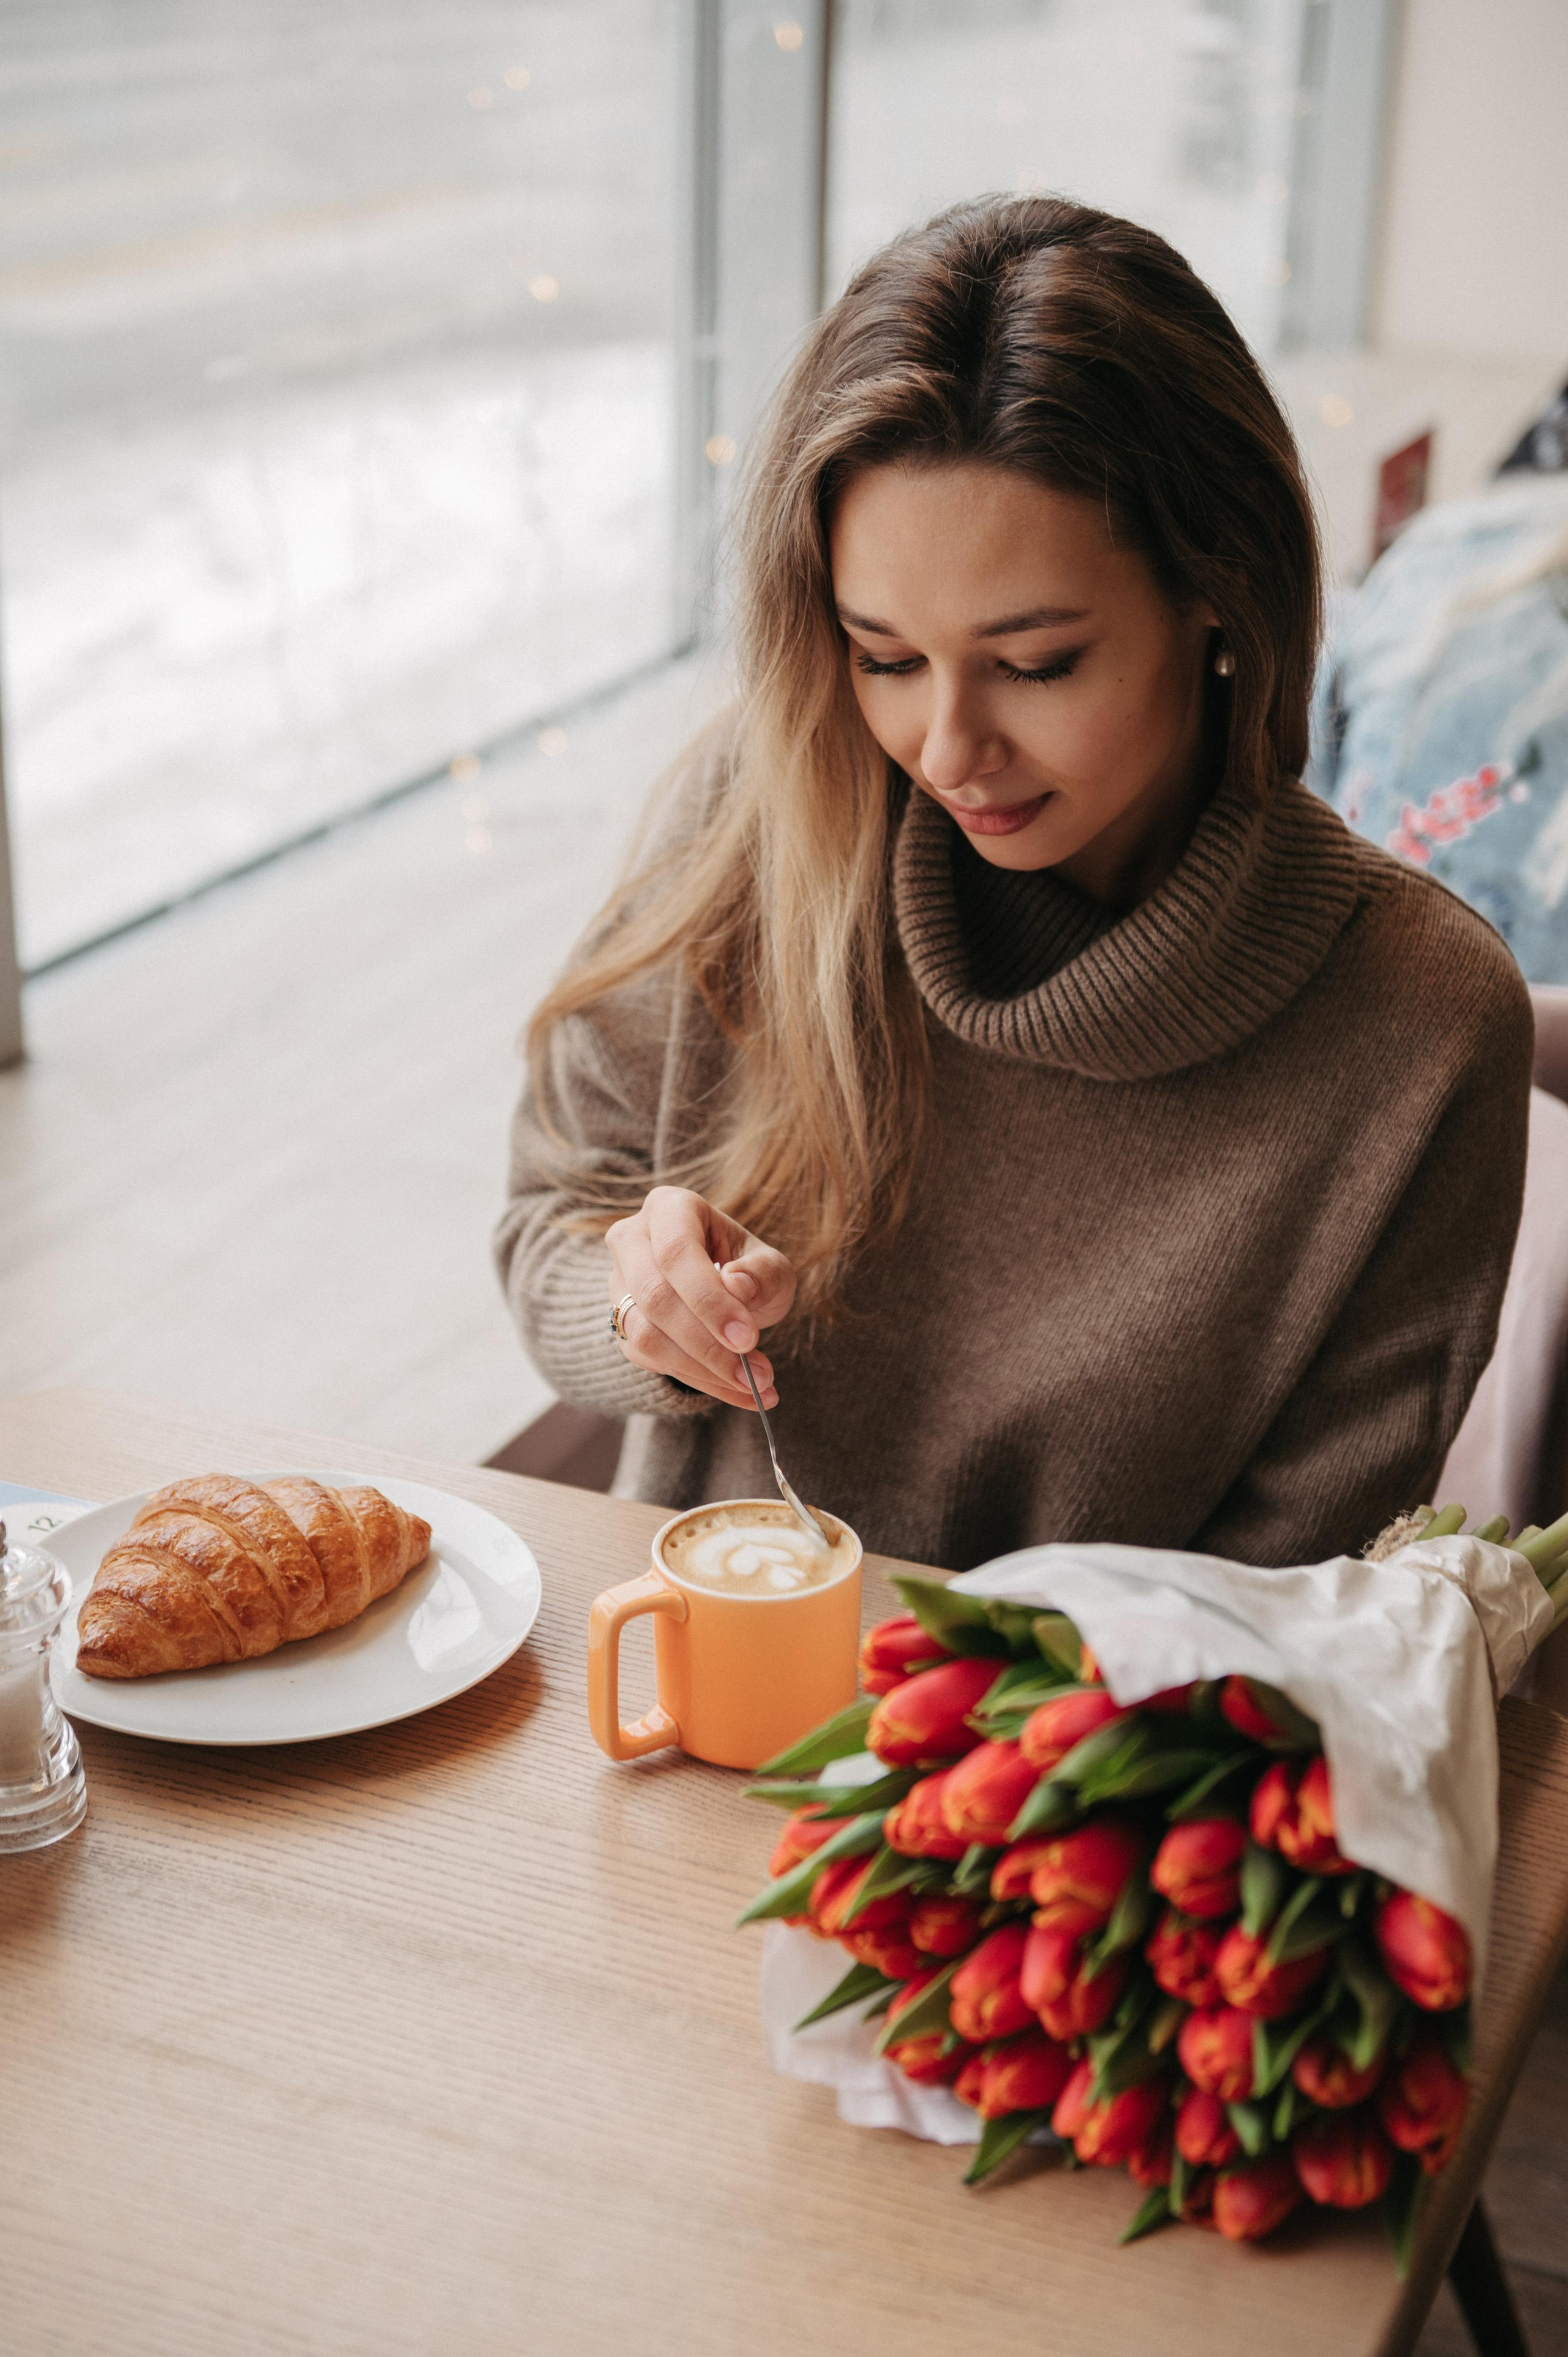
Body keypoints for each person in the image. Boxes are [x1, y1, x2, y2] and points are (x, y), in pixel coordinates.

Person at [495, 195, 1531, 1574]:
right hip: (684, 1683)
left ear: (1216, 598)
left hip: (1074, 1762)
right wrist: (643, 1306)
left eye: (1035, 662)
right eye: (883, 655)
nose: (945, 747)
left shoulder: (1420, 1024)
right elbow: (549, 1217)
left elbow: (1270, 1606)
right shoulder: (764, 806)